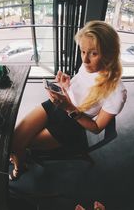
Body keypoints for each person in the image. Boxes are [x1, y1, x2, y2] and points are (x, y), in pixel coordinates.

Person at [9, 20, 127, 180]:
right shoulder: (87, 65)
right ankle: (20, 160)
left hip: (72, 124)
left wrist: (69, 108)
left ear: (109, 54)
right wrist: (66, 86)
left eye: (93, 53)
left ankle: (19, 167)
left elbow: (96, 128)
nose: (85, 60)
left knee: (23, 145)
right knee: (15, 142)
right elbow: (77, 91)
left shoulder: (117, 92)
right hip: (58, 106)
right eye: (83, 51)